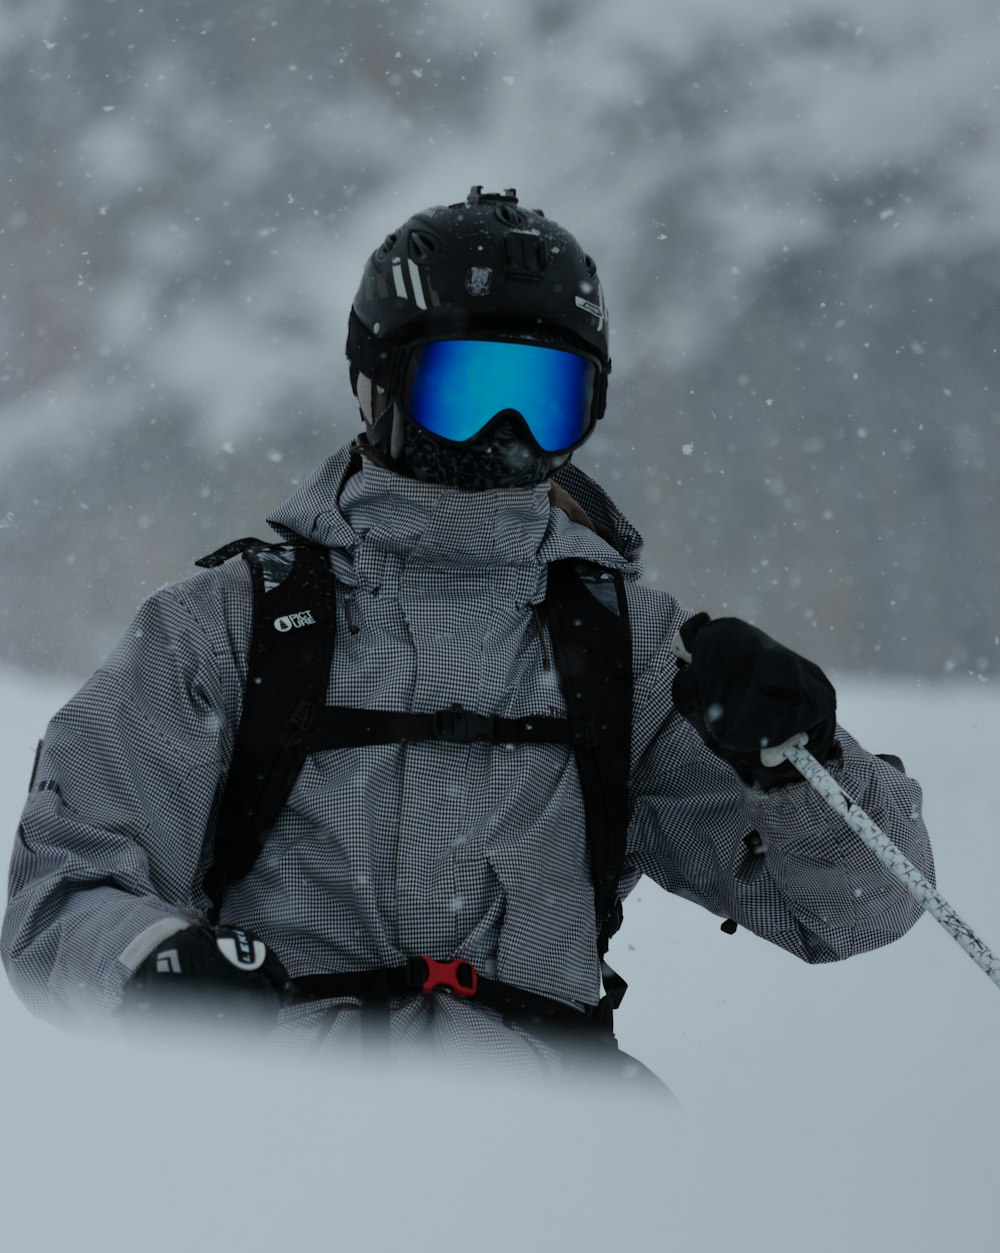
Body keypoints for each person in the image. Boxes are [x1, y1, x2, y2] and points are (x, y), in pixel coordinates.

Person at [1, 186, 933, 1085]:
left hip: (555, 1161)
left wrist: (800, 763)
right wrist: (157, 962)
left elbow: (859, 910)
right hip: (287, 1146)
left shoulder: (629, 653)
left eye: (545, 395)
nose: (506, 431)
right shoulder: (229, 627)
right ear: (381, 388)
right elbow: (63, 890)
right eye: (468, 386)